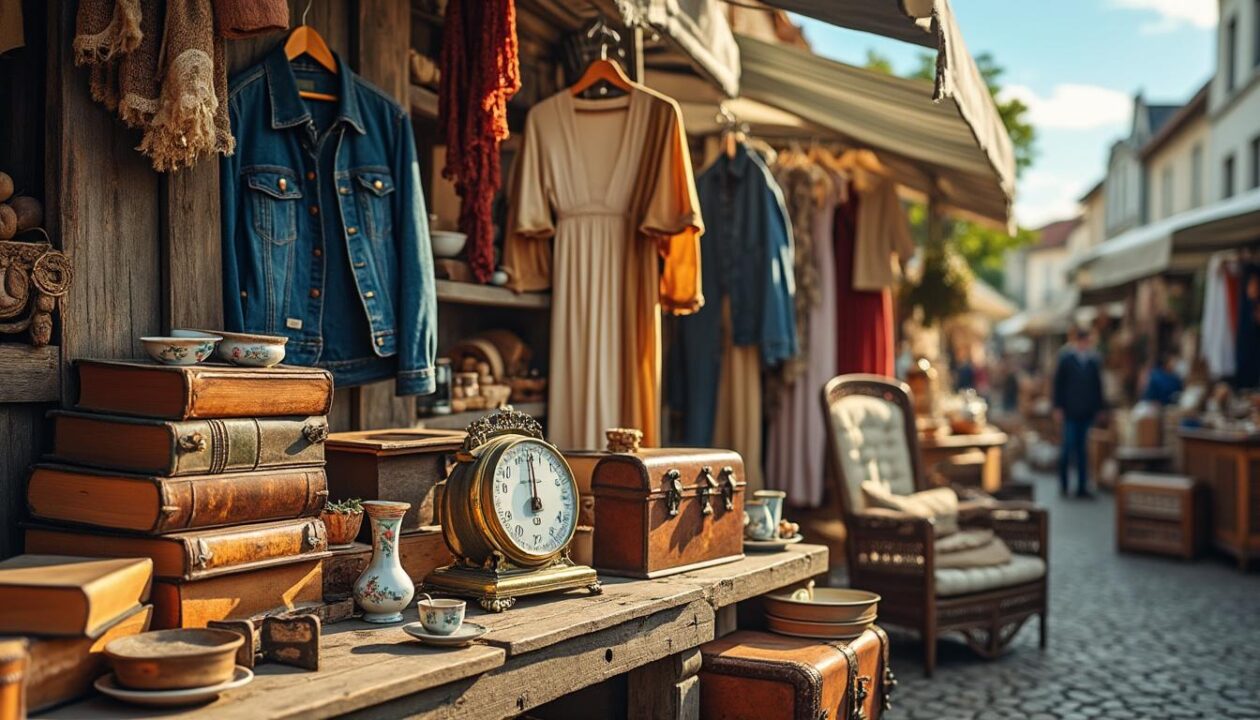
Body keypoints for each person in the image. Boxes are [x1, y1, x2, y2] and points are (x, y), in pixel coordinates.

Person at [1053, 326, 1105, 498]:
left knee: (1083, 450)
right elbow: (1058, 384)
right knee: (1068, 448)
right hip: (1070, 411)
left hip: (1086, 411)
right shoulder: (1066, 358)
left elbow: (1098, 387)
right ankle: (1064, 485)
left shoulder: (1093, 360)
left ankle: (1082, 486)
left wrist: (1098, 408)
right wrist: (1058, 407)